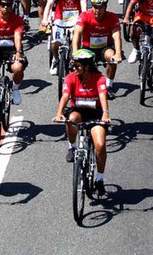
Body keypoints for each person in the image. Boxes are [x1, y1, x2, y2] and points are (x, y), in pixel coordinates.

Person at [54, 49, 111, 196]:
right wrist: (59, 113)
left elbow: (103, 96)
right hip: (78, 112)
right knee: (71, 119)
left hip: (96, 115)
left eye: (77, 66)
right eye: (73, 65)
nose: (74, 68)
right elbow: (65, 96)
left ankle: (99, 178)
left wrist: (105, 113)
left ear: (87, 66)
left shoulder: (99, 78)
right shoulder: (70, 78)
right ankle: (72, 147)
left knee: (100, 145)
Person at [72, 0, 124, 85]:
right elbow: (77, 33)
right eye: (95, 7)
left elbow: (116, 36)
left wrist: (118, 54)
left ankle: (109, 85)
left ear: (105, 7)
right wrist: (75, 53)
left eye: (101, 8)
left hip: (105, 47)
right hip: (88, 48)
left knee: (112, 58)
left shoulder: (112, 17)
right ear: (92, 6)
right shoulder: (85, 16)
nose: (98, 10)